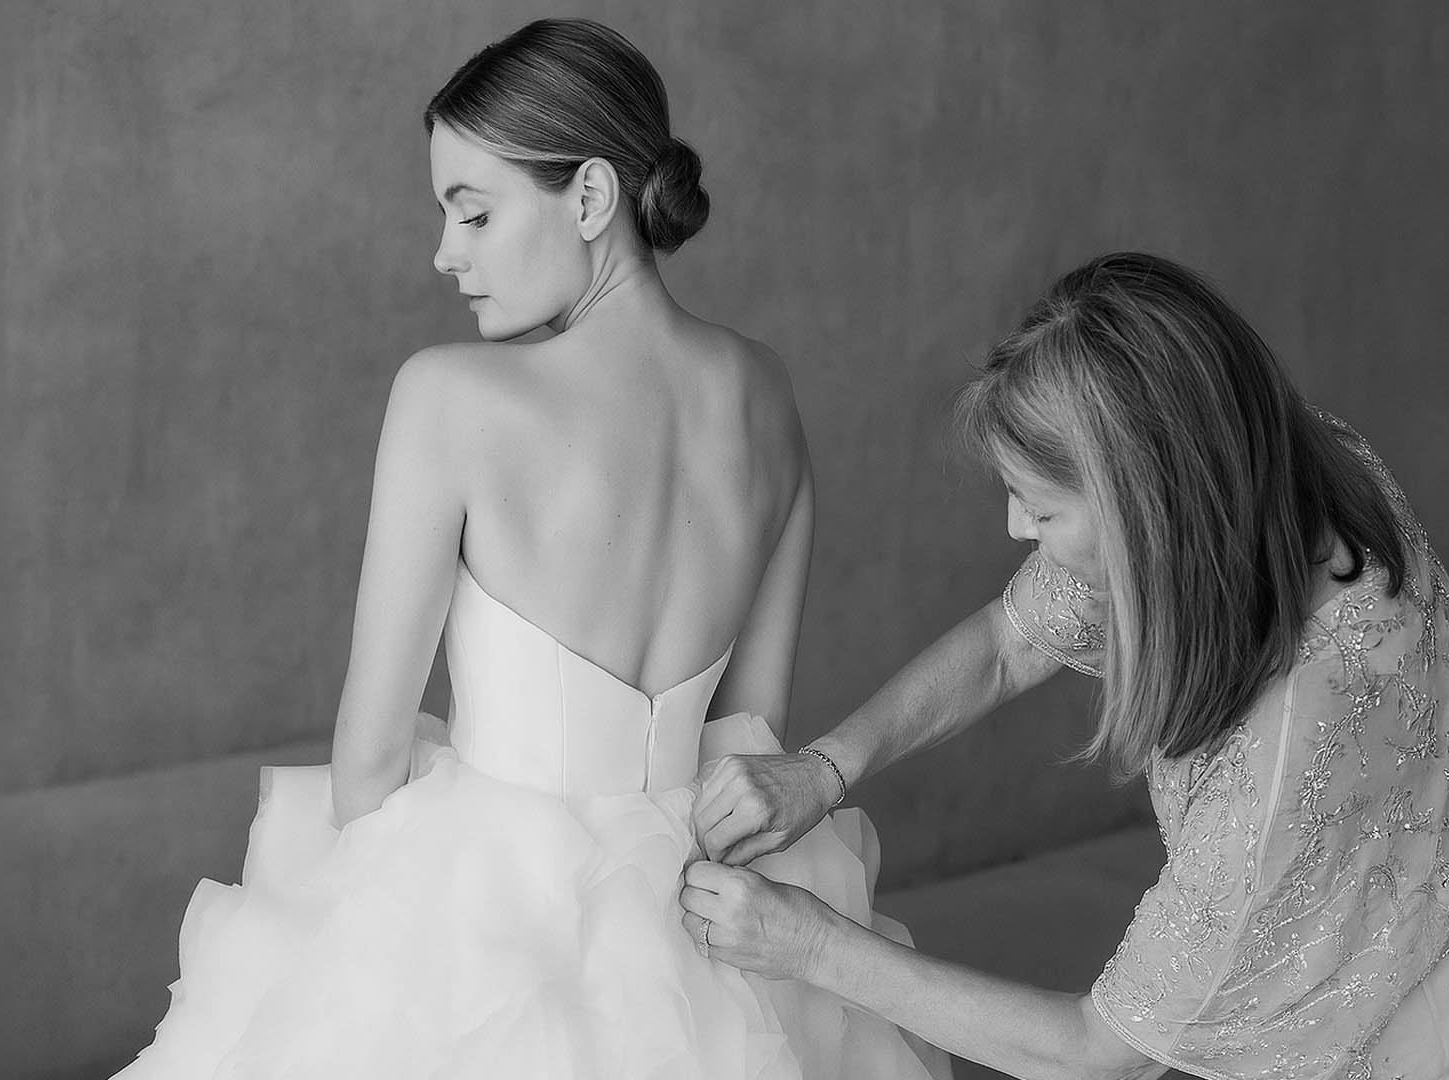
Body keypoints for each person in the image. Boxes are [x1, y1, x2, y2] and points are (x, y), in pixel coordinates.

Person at [114, 19, 946, 1079]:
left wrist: (362, 960)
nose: (444, 252)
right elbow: (753, 735)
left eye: (474, 211)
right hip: (708, 915)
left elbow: (369, 758)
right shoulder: (768, 393)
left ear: (591, 199)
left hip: (497, 920)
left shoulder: (450, 398)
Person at [684, 252, 1449, 1080]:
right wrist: (825, 768)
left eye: (1040, 507)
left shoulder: (1276, 760)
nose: (1013, 530)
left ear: (1146, 508)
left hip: (1440, 1039)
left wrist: (813, 949)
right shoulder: (1274, 479)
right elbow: (1007, 643)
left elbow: (1095, 1052)